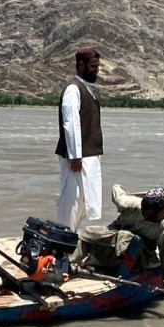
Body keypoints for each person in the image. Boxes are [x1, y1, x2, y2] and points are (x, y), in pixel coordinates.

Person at [76, 185, 164, 295]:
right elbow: (116, 188)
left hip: (143, 256)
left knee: (131, 238)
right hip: (115, 239)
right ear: (151, 211)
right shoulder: (130, 205)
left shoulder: (163, 226)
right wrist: (127, 195)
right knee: (84, 233)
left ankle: (123, 275)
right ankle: (67, 264)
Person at [56, 47, 103, 231]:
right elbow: (71, 123)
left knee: (83, 203)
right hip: (77, 159)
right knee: (71, 203)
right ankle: (61, 246)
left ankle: (72, 241)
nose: (96, 70)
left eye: (97, 66)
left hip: (88, 157)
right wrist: (75, 156)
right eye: (93, 66)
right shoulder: (73, 90)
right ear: (80, 65)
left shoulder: (86, 89)